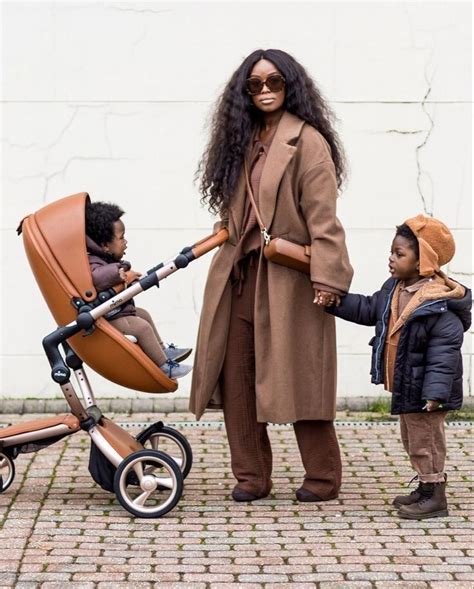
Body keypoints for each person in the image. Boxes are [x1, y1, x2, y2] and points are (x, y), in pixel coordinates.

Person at [190, 49, 353, 502]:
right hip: (239, 279)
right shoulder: (241, 141)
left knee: (302, 376)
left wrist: (328, 279)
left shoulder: (308, 142)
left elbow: (325, 221)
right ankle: (251, 478)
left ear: (291, 85)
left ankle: (322, 478)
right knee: (234, 377)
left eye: (274, 82)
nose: (265, 91)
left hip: (288, 281)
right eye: (255, 84)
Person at [324, 215, 471, 519]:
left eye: (399, 254)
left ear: (423, 262)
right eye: (392, 252)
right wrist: (334, 302)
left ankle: (435, 498)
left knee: (425, 443)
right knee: (412, 440)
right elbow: (368, 308)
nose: (391, 258)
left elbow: (443, 358)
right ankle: (425, 489)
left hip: (427, 392)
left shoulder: (438, 305)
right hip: (408, 385)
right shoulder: (395, 289)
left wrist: (435, 395)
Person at [85, 201, 193, 379]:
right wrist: (118, 273)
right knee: (141, 327)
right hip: (107, 318)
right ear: (105, 245)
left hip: (116, 312)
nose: (126, 242)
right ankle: (164, 366)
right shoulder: (94, 261)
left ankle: (163, 350)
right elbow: (97, 277)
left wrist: (123, 268)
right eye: (121, 238)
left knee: (143, 314)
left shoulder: (105, 259)